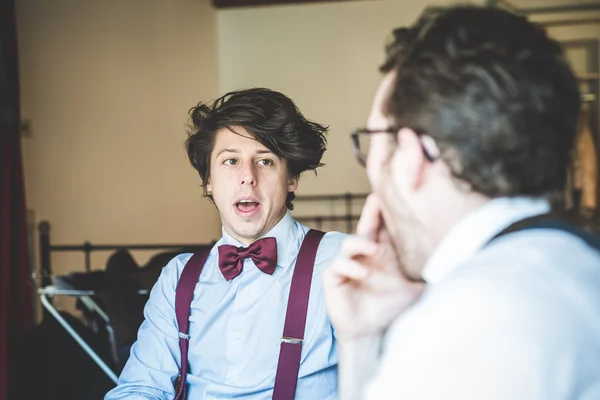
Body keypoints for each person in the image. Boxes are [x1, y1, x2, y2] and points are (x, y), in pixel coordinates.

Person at [324, 5, 600, 400]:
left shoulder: (463, 321)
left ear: (411, 154)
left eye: (373, 138)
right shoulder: (578, 266)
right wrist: (363, 339)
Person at [106, 88, 346, 399]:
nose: (247, 177)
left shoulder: (340, 261)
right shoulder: (177, 278)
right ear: (208, 181)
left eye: (265, 161)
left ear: (292, 179)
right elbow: (140, 387)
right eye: (230, 161)